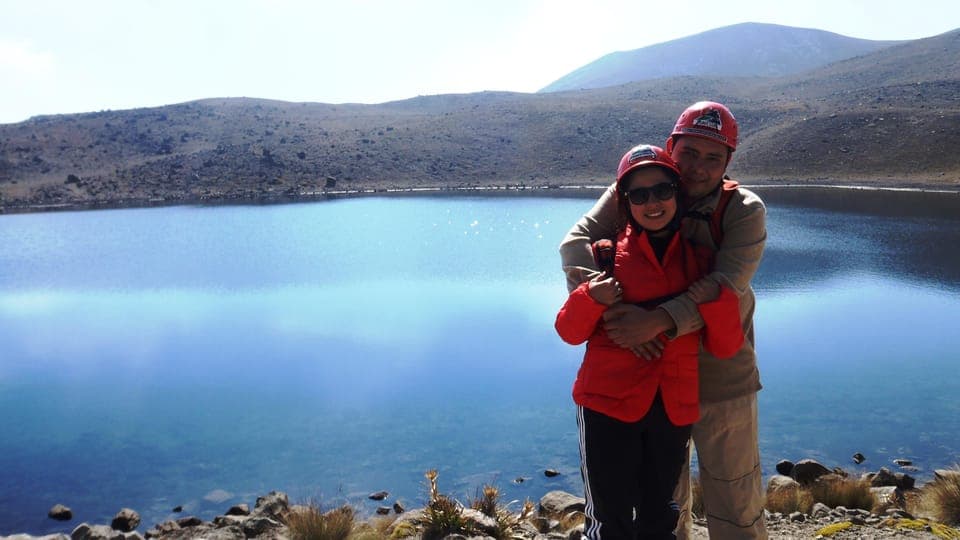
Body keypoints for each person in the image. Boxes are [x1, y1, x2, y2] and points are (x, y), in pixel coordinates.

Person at [559, 102, 768, 540]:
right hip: (654, 375)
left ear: (728, 161)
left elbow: (724, 287)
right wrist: (618, 318)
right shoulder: (642, 187)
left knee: (734, 494)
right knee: (664, 502)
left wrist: (654, 322)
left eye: (714, 157)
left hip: (721, 373)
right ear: (672, 148)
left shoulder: (743, 209)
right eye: (689, 153)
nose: (698, 168)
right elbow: (575, 244)